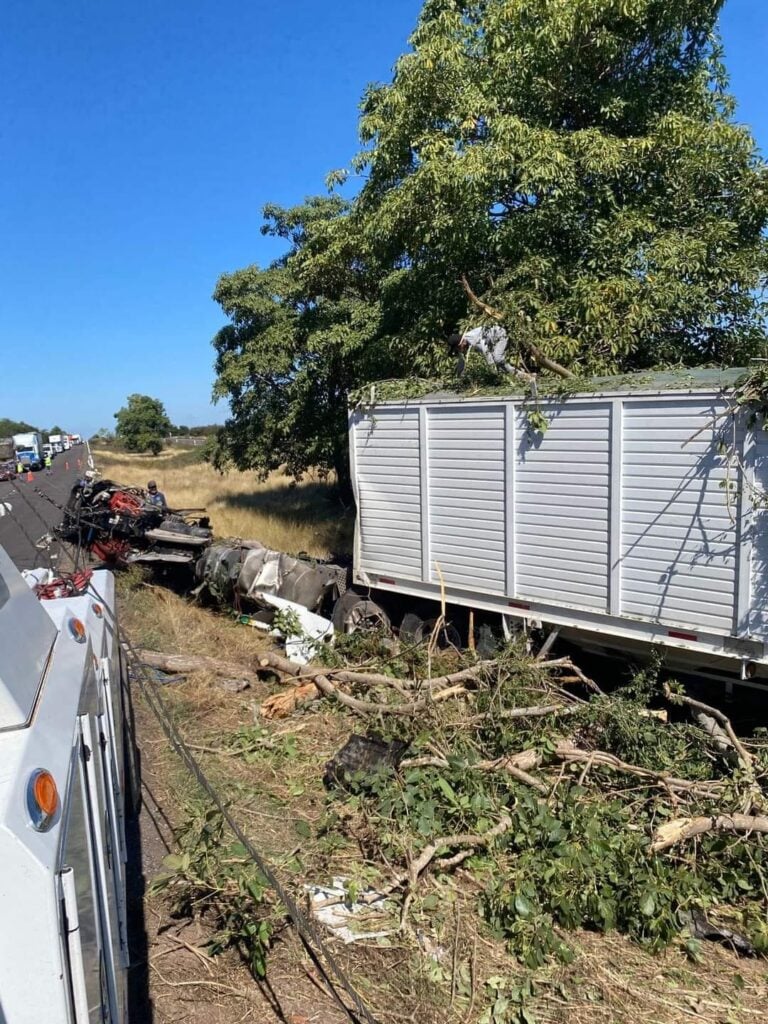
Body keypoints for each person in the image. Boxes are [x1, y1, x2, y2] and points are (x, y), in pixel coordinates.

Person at [448, 325, 517, 375]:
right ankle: (514, 374)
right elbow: (462, 358)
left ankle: (515, 373)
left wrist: (493, 371)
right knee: (498, 362)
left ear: (462, 343)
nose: (460, 350)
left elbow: (486, 352)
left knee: (497, 358)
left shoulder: (473, 340)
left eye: (459, 348)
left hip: (500, 336)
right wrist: (458, 374)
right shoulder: (466, 341)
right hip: (493, 342)